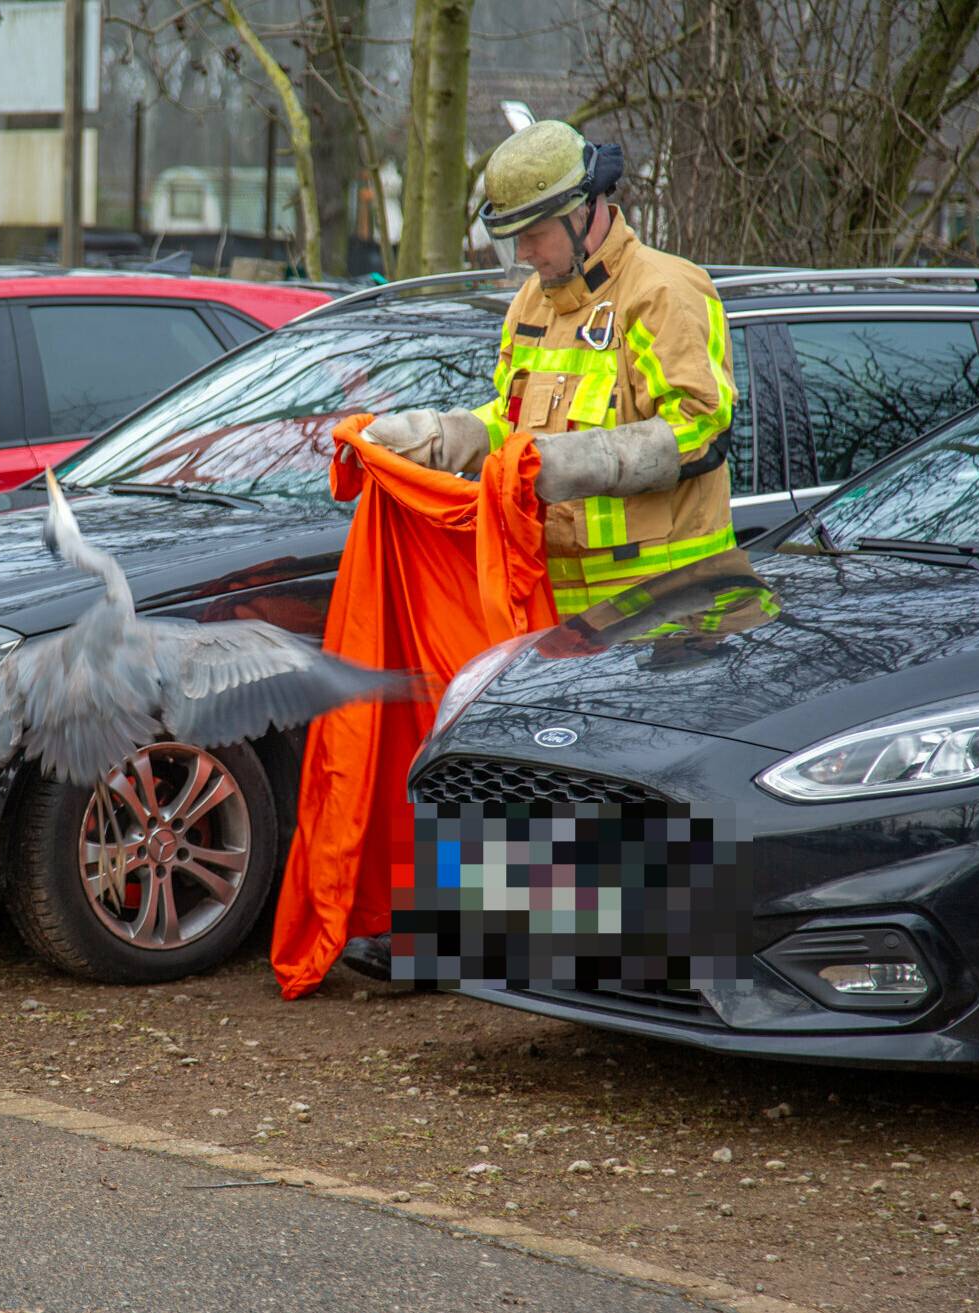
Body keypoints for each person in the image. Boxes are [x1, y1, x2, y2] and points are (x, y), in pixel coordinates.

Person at [340, 121, 736, 982]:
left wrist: (564, 465)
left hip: (662, 602)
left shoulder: (664, 291)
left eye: (534, 234)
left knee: (633, 791)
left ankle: (637, 969)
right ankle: (476, 945)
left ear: (590, 209)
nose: (524, 253)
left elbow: (699, 429)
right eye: (513, 236)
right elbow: (506, 425)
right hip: (548, 593)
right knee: (523, 776)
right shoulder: (531, 303)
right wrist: (440, 436)